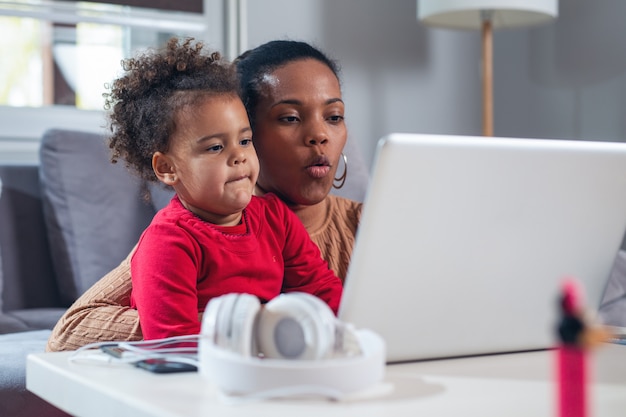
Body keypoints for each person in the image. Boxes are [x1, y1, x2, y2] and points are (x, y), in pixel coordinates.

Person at [47, 39, 361, 350]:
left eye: (244, 141)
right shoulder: (168, 240)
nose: (319, 136)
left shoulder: (277, 218)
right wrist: (242, 330)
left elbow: (324, 292)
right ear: (167, 167)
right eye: (215, 147)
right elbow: (173, 342)